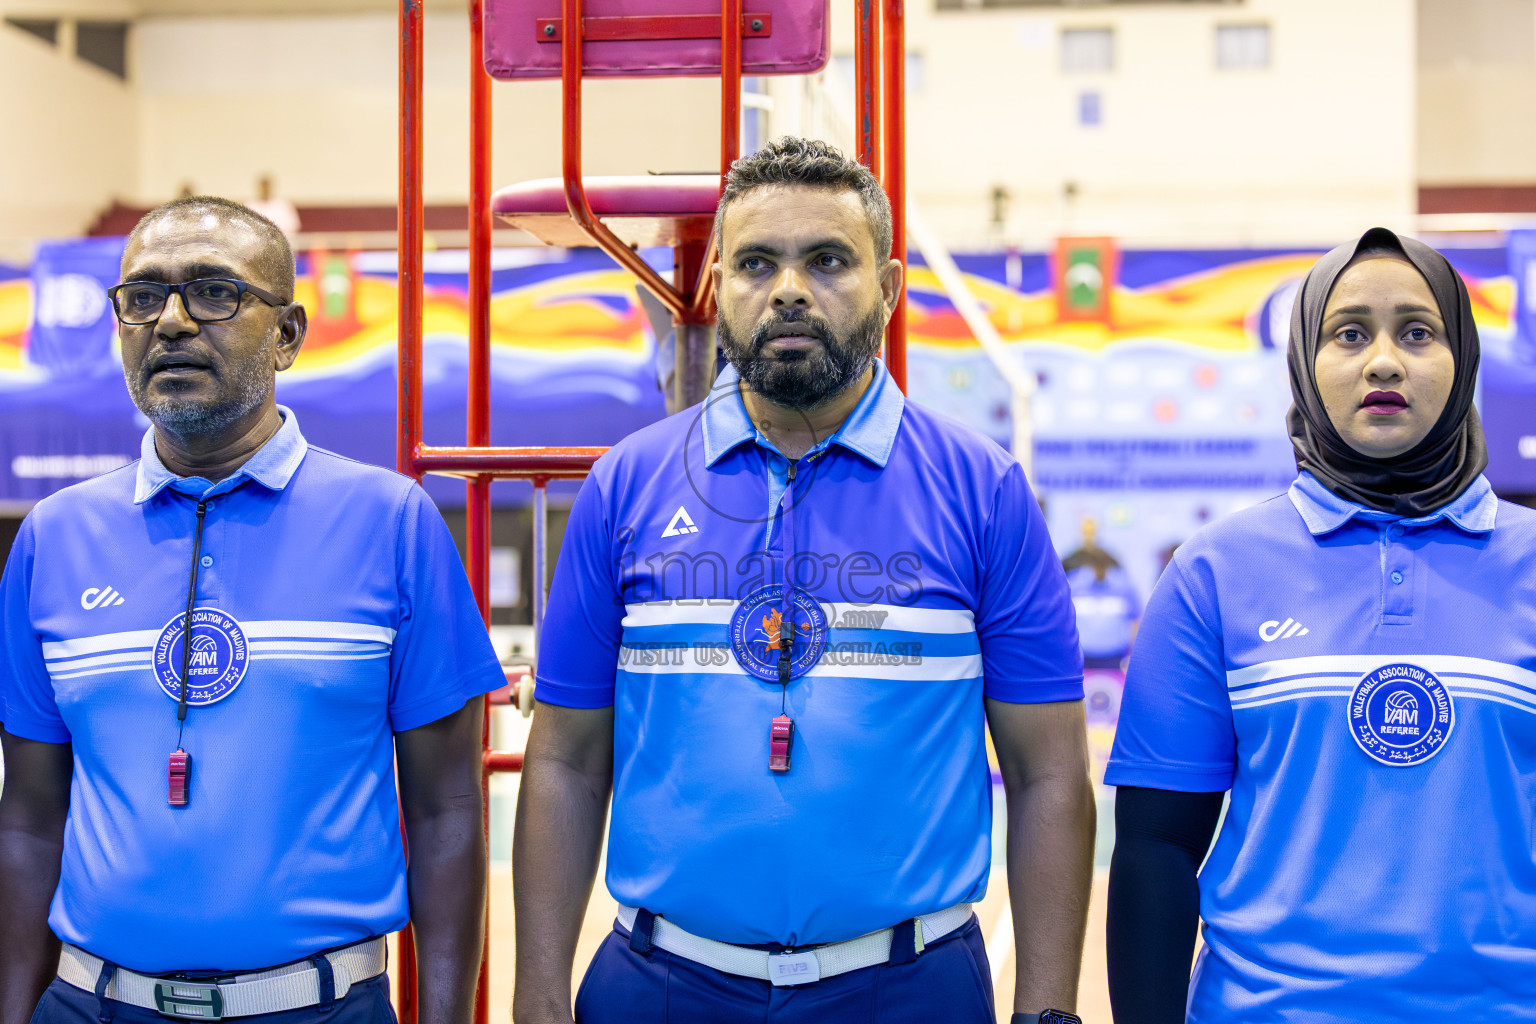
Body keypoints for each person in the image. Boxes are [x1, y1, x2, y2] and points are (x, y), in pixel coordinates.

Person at [513, 137, 1095, 1024]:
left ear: (890, 288)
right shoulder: (623, 487)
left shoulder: (985, 493)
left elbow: (1049, 771)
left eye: (827, 261)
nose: (788, 289)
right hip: (662, 987)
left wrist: (1048, 1009)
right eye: (756, 263)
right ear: (721, 282)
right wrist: (539, 995)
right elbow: (563, 758)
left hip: (911, 990)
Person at [0, 197, 506, 1024]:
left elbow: (446, 810)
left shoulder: (392, 523)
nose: (169, 321)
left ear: (289, 334)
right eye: (141, 296)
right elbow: (26, 819)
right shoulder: (54, 537)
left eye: (214, 293)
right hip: (90, 1005)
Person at [1104, 227, 1536, 1021]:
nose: (1383, 361)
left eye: (1417, 331)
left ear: (1463, 358)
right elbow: (1157, 847)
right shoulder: (1216, 572)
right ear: (1305, 359)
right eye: (1348, 333)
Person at [1066, 558, 1140, 671]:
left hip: (1115, 658)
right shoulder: (1073, 583)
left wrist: (1132, 655)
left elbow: (1136, 621)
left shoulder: (1124, 586)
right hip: (1080, 658)